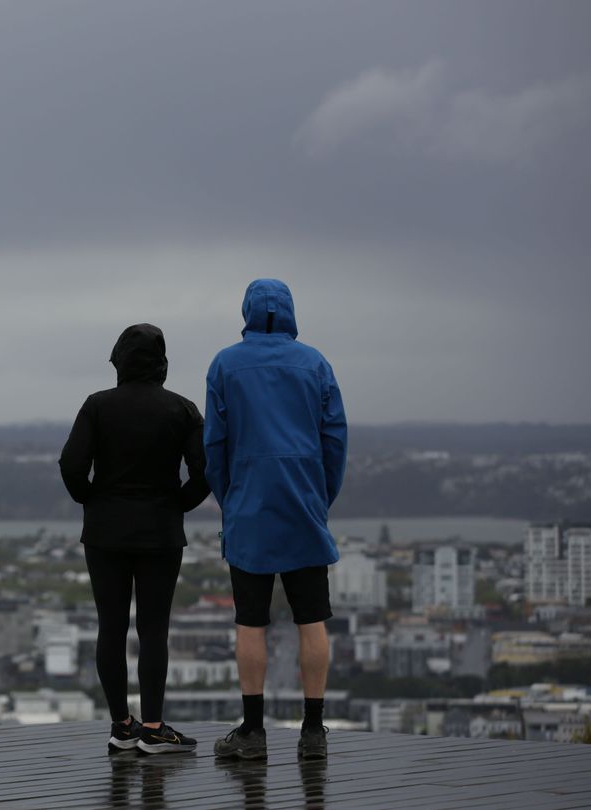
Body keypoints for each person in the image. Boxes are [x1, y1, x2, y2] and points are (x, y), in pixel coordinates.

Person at [203, 279, 347, 761]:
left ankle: (252, 731)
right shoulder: (315, 363)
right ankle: (312, 731)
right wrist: (319, 495)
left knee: (250, 622)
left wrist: (231, 497)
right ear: (288, 311)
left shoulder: (225, 364)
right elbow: (335, 439)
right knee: (312, 618)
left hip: (249, 503)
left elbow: (214, 445)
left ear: (246, 310)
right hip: (304, 499)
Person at [59, 323, 210, 755]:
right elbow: (207, 471)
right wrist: (178, 504)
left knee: (110, 625)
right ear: (162, 363)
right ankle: (155, 728)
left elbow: (71, 466)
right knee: (153, 629)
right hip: (160, 531)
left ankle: (122, 726)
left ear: (118, 361)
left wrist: (93, 501)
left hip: (104, 531)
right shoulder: (181, 410)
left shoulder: (97, 406)